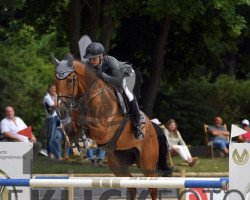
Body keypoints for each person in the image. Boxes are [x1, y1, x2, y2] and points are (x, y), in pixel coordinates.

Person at [83, 42, 144, 140]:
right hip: (108, 80)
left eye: (94, 58)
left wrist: (102, 75)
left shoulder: (111, 61)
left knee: (127, 93)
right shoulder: (89, 65)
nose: (91, 61)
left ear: (101, 56)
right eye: (90, 59)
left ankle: (137, 123)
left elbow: (118, 81)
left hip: (124, 75)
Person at [43, 83, 62, 160]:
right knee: (51, 137)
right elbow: (55, 106)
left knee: (58, 137)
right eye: (52, 89)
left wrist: (55, 106)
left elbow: (56, 107)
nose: (54, 90)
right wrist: (57, 99)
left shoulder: (54, 97)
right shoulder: (47, 97)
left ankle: (58, 155)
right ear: (49, 89)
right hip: (51, 118)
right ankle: (50, 154)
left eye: (55, 89)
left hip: (57, 117)